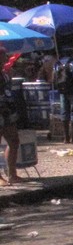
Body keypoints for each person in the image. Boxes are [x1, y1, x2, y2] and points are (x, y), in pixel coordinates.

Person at [0, 46, 27, 185]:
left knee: (14, 141)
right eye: (3, 56)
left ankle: (12, 174)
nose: (5, 58)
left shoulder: (5, 74)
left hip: (7, 111)